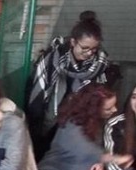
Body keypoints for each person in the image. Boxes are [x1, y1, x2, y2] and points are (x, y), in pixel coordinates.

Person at [27, 11, 108, 161]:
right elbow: (38, 95)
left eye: (94, 49)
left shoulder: (99, 64)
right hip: (48, 119)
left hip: (78, 122)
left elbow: (99, 95)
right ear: (73, 42)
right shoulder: (53, 58)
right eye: (85, 48)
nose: (89, 53)